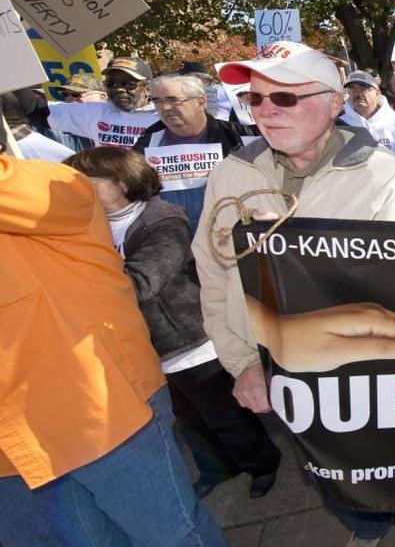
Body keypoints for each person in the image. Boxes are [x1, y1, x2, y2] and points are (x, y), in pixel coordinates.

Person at [195, 41, 395, 547]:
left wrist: (294, 249)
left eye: (285, 99)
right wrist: (242, 363)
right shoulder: (233, 174)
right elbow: (214, 277)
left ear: (334, 101)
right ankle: (364, 530)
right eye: (255, 100)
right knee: (328, 466)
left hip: (373, 374)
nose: (266, 113)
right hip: (279, 368)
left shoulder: (384, 177)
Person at [0, 154, 229, 547]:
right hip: (14, 455)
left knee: (171, 536)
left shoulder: (52, 185)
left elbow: (144, 280)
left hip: (97, 414)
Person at [63, 147, 282, 500]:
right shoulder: (92, 226)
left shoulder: (162, 220)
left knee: (225, 414)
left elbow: (142, 283)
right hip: (150, 347)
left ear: (121, 182)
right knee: (190, 418)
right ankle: (221, 467)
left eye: (86, 183)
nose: (77, 191)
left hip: (190, 341)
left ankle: (262, 464)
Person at [132, 74, 257, 233]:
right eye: (157, 100)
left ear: (200, 102)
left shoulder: (239, 137)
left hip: (228, 234)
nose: (165, 107)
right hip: (172, 238)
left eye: (173, 100)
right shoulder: (147, 141)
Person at [41, 56, 160, 148]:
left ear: (148, 88)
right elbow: (36, 108)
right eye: (111, 83)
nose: (118, 89)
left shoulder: (162, 116)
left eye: (128, 84)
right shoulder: (95, 112)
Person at [340, 70, 395, 158]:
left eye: (363, 88)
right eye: (352, 89)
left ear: (377, 93)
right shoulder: (340, 125)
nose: (357, 93)